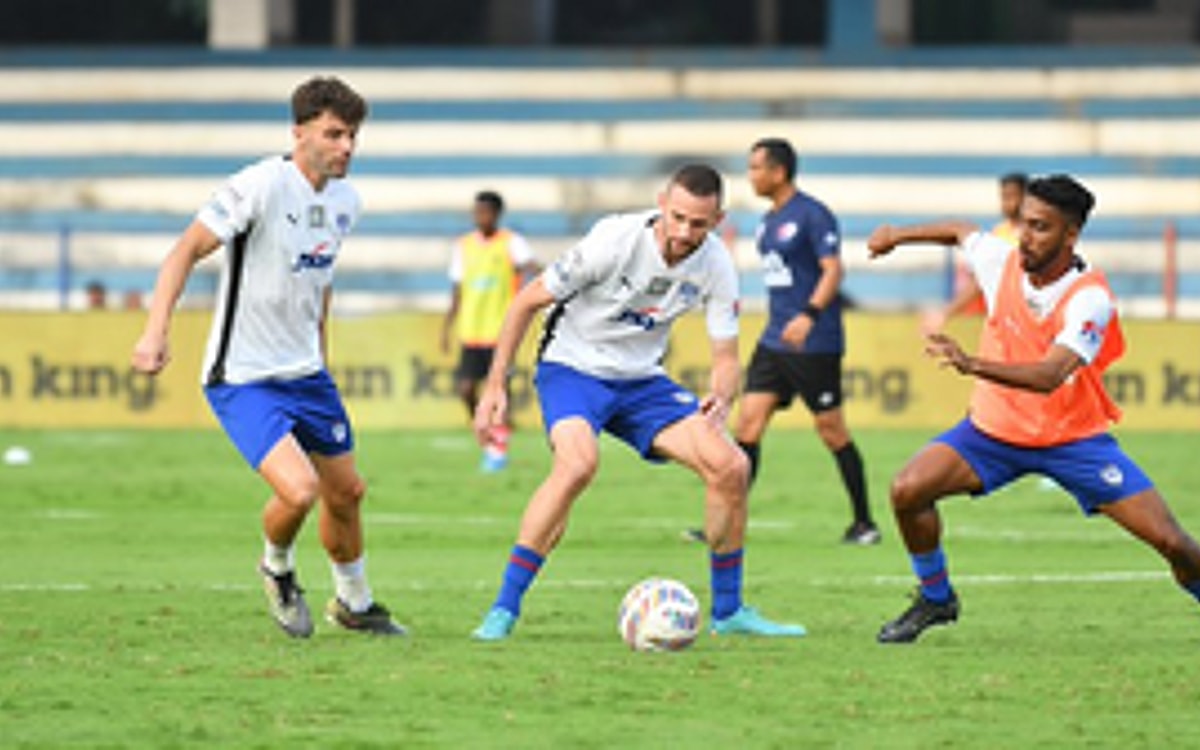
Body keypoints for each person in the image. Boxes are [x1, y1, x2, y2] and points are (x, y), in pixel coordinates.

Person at [470, 164, 806, 641]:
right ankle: (503, 609)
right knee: (577, 465)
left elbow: (726, 356)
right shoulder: (613, 240)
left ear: (718, 220)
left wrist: (723, 394)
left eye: (700, 224)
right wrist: (496, 385)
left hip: (641, 380)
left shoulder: (716, 264)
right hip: (573, 368)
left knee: (731, 466)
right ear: (662, 204)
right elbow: (527, 300)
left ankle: (729, 612)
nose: (686, 233)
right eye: (678, 218)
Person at [866, 174, 1200, 644]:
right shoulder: (1001, 260)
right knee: (908, 490)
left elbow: (1049, 376)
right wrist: (896, 237)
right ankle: (936, 599)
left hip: (1073, 440)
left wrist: (971, 363)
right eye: (1024, 222)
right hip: (992, 433)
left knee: (1173, 542)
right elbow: (961, 230)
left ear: (1071, 234)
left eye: (1041, 227)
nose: (1026, 236)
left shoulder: (1090, 298)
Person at [131, 76, 404, 638]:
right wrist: (155, 330)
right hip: (244, 377)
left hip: (306, 374)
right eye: (333, 134)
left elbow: (320, 284)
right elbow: (183, 251)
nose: (346, 147)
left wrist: (321, 357)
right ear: (299, 132)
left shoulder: (347, 202)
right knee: (299, 491)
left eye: (352, 135)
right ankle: (276, 568)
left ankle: (354, 603)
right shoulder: (258, 185)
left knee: (347, 492)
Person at [691, 137, 879, 546]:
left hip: (814, 342)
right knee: (748, 424)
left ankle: (864, 522)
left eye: (756, 168)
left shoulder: (812, 215)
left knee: (832, 431)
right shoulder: (768, 222)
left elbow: (833, 270)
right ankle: (725, 522)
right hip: (776, 340)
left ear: (778, 171)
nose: (751, 175)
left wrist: (809, 316)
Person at [440, 191, 540, 472]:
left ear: (497, 214)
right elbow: (457, 288)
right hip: (471, 330)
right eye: (477, 212)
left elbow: (532, 267)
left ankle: (497, 448)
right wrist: (447, 326)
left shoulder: (512, 243)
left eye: (485, 212)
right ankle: (489, 431)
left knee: (498, 392)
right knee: (466, 389)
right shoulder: (464, 245)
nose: (480, 217)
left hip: (501, 332)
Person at [922, 172, 1027, 335]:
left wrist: (946, 312)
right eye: (1003, 197)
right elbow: (979, 279)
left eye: (1012, 196)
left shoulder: (1033, 236)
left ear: (1026, 198)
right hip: (1002, 318)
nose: (1006, 204)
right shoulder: (999, 233)